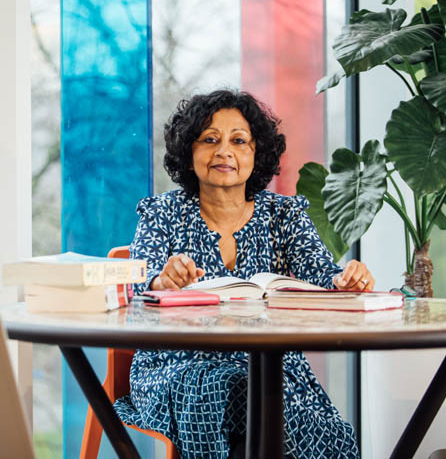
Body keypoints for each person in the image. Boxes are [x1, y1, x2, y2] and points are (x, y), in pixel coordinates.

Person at [113, 90, 373, 459]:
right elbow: (136, 280)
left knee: (267, 401)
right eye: (209, 140)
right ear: (189, 152)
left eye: (239, 140)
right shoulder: (163, 212)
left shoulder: (285, 215)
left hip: (271, 369)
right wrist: (162, 280)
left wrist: (347, 279)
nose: (224, 152)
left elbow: (323, 276)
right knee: (237, 392)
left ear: (257, 153)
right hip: (176, 368)